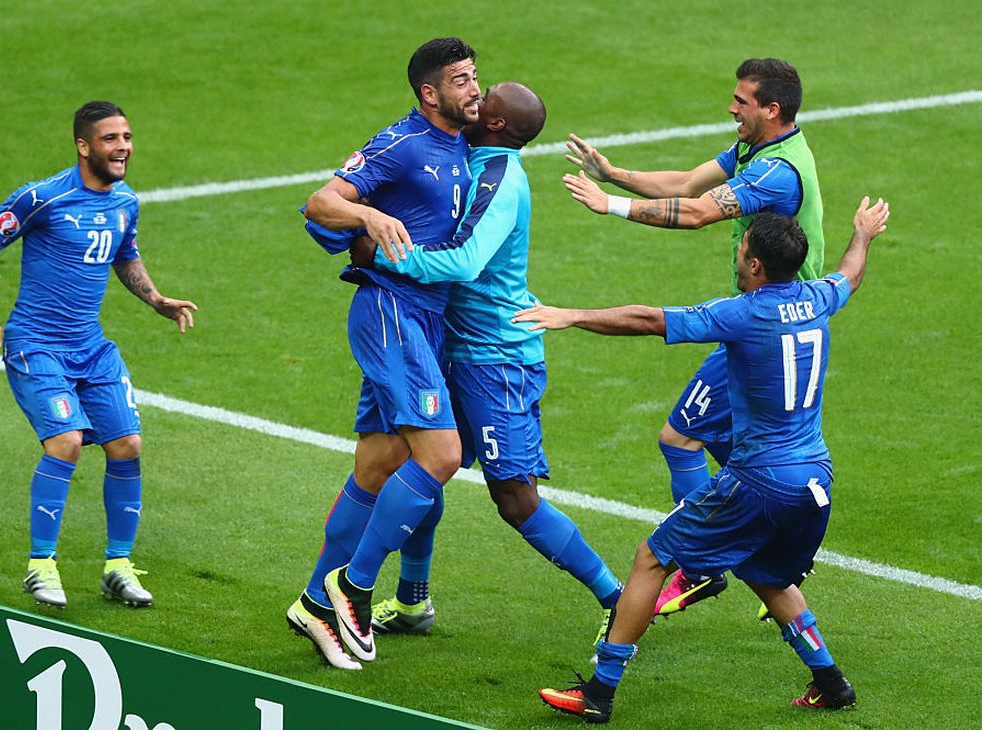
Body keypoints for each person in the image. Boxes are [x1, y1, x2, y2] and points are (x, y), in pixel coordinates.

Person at [517, 198, 889, 723]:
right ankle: (832, 682)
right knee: (765, 574)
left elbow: (649, 319)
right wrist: (863, 234)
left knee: (651, 557)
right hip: (815, 480)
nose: (737, 256)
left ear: (755, 264)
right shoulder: (818, 298)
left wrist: (571, 315)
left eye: (741, 249)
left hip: (759, 480)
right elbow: (850, 274)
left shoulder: (745, 313)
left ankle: (598, 694)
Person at [355, 82, 623, 656]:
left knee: (515, 498)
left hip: (497, 360)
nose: (475, 98)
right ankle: (412, 599)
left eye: (487, 100)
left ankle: (618, 601)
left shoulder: (501, 178)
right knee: (424, 465)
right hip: (453, 347)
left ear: (498, 124)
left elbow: (468, 262)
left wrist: (383, 253)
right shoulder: (466, 157)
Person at [562, 58, 824, 616]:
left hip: (766, 329)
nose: (732, 107)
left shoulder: (779, 172)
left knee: (679, 438)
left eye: (742, 100)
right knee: (741, 453)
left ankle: (700, 566)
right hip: (779, 322)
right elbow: (684, 182)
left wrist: (609, 205)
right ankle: (768, 544)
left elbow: (699, 211)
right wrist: (616, 174)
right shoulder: (756, 152)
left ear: (771, 109)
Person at [285, 37, 481, 670]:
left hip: (426, 318)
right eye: (459, 80)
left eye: (475, 76)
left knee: (377, 464)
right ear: (429, 93)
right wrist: (367, 220)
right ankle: (347, 592)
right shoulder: (402, 142)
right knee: (441, 453)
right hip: (391, 309)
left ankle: (313, 599)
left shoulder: (461, 144)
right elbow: (320, 203)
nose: (473, 87)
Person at [0, 101, 198, 609]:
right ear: (84, 145)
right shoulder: (42, 198)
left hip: (91, 349)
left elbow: (125, 253)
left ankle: (117, 566)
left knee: (128, 445)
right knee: (67, 442)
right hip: (37, 345)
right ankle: (40, 565)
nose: (123, 148)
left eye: (128, 137)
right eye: (111, 139)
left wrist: (156, 300)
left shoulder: (125, 202)